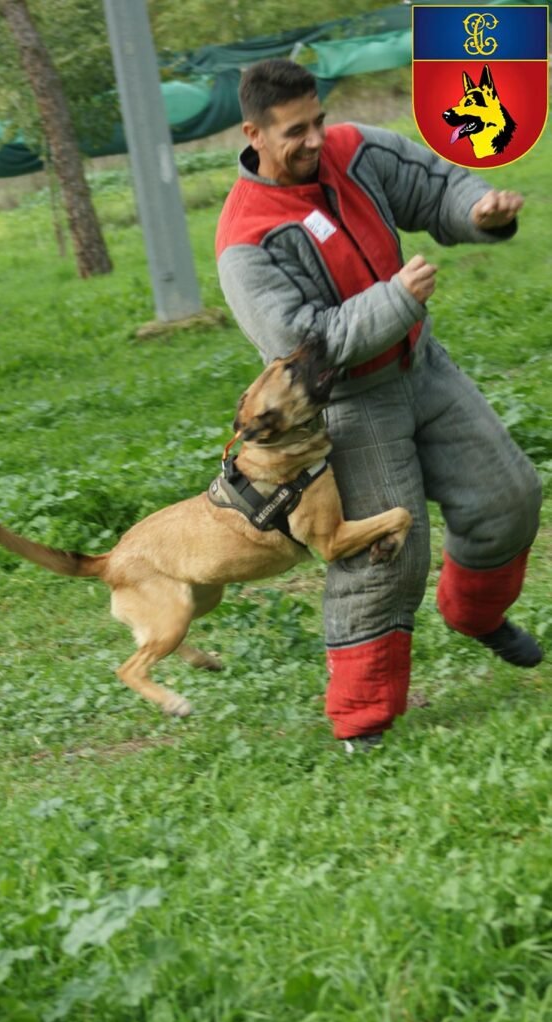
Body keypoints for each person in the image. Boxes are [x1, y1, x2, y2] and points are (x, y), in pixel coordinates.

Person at [215, 59, 543, 751]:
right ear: (254, 134)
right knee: (385, 554)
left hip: (422, 368)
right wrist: (394, 300)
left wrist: (476, 209)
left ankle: (477, 616)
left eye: (318, 121)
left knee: (508, 496)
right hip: (348, 405)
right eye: (295, 131)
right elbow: (302, 346)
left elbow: (435, 186)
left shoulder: (355, 149)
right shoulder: (245, 241)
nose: (315, 139)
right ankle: (362, 724)